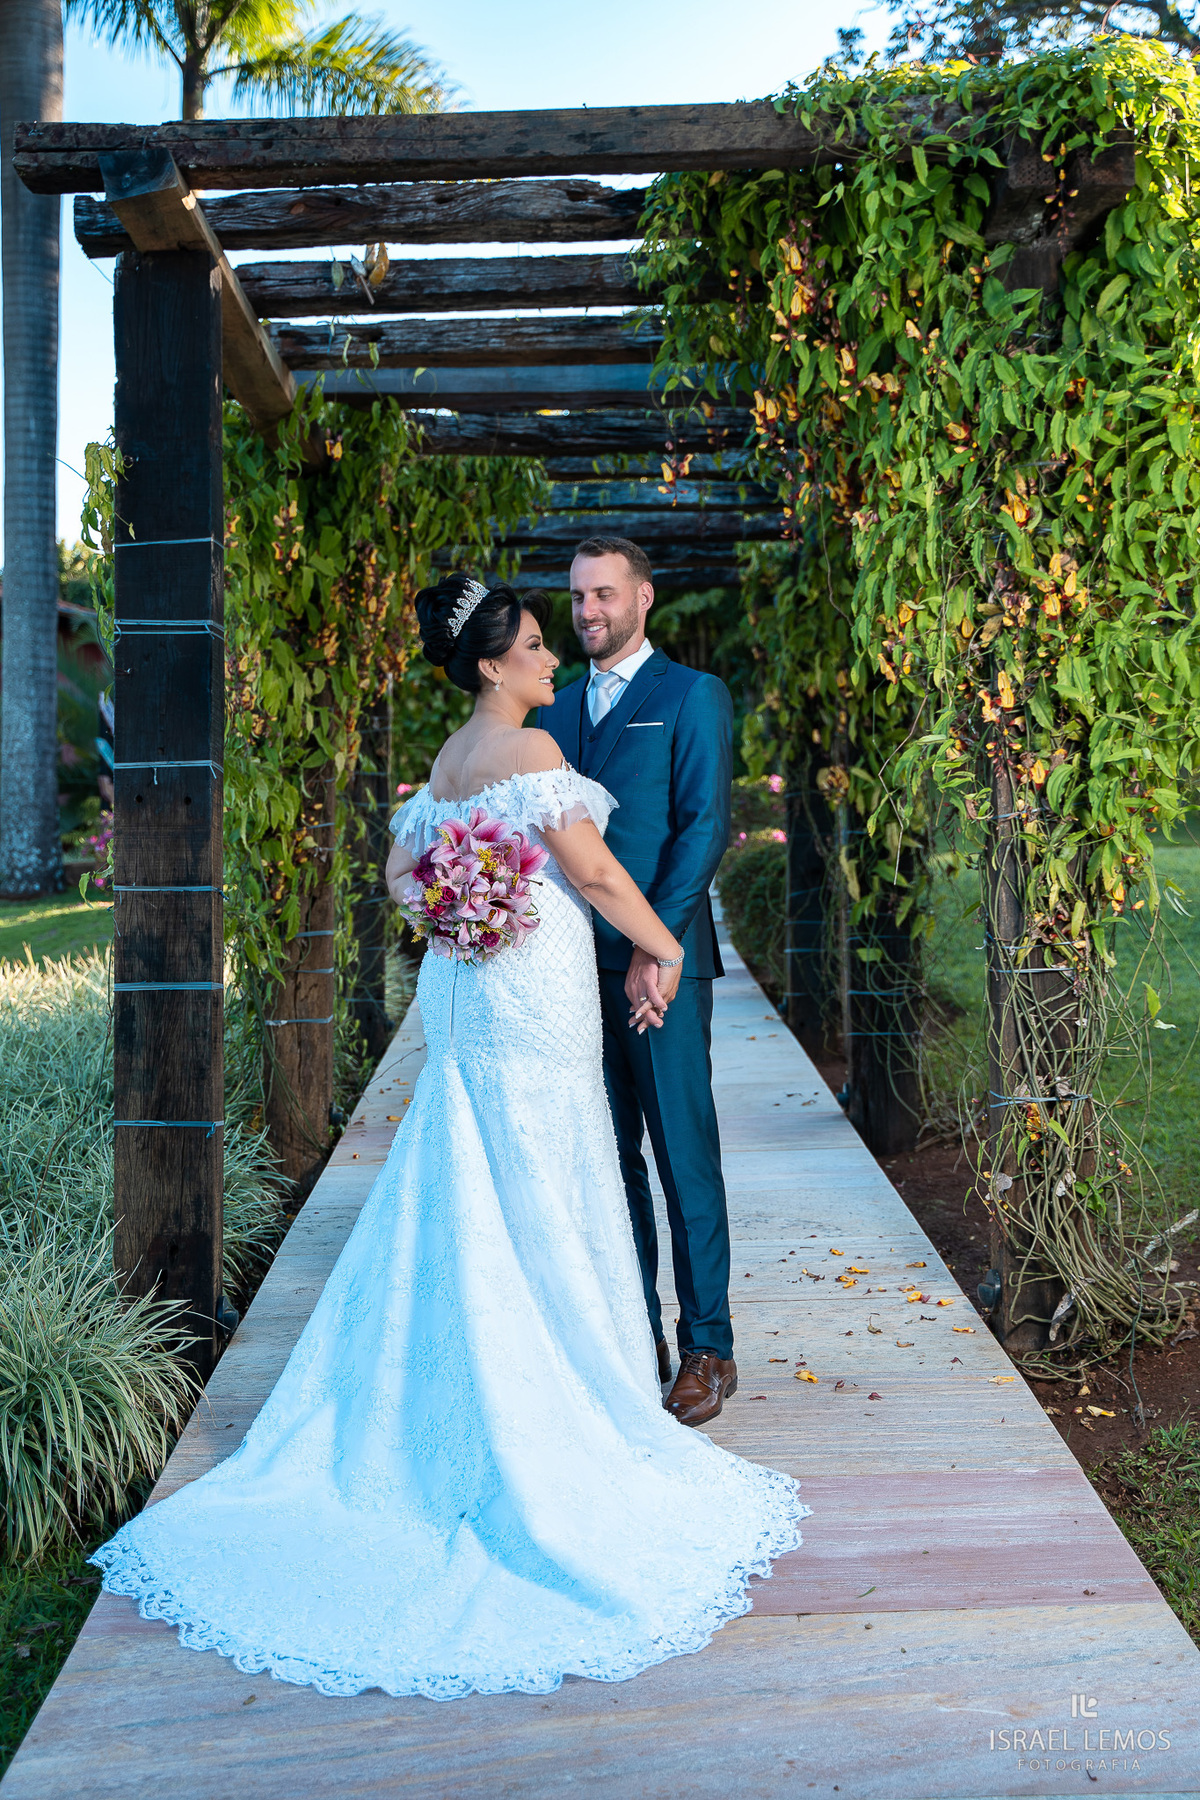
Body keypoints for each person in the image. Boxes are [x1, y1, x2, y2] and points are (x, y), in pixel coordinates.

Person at [89, 575, 806, 1701]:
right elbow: (594, 871)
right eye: (535, 645)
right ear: (491, 664)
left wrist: (464, 908)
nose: (552, 658)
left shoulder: (448, 758)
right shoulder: (528, 754)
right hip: (534, 991)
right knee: (549, 1163)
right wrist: (664, 946)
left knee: (472, 1163)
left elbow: (401, 879)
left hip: (473, 990)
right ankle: (561, 1397)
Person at [540, 537, 737, 1427]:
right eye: (579, 596)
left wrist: (660, 947)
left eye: (605, 595)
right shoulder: (552, 711)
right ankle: (636, 1334)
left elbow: (702, 827)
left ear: (644, 598)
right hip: (566, 973)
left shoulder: (691, 695)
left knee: (682, 1155)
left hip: (663, 970)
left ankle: (709, 1348)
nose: (588, 611)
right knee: (607, 1158)